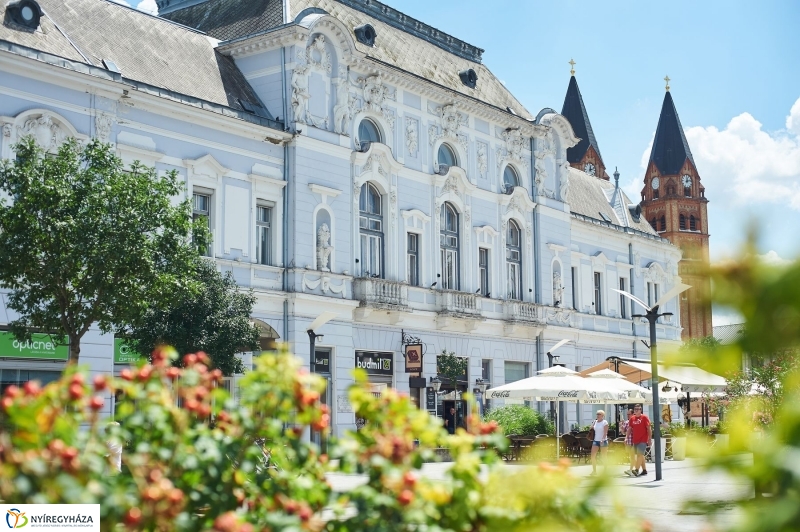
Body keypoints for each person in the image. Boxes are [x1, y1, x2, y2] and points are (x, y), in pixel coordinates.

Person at [628, 404, 652, 476]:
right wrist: (626, 437)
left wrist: (649, 439)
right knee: (640, 455)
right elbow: (630, 428)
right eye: (635, 409)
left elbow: (649, 429)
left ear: (640, 410)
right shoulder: (632, 418)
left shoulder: (644, 417)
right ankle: (644, 470)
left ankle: (637, 470)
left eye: (637, 409)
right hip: (635, 440)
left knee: (640, 454)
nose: (636, 410)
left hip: (643, 439)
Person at [589, 410, 609, 475]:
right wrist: (592, 425)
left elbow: (605, 432)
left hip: (603, 441)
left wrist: (602, 439)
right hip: (596, 440)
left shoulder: (604, 422)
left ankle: (605, 470)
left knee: (604, 456)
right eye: (597, 414)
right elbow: (591, 429)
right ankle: (594, 471)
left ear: (602, 415)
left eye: (599, 414)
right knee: (592, 455)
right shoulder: (595, 422)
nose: (597, 415)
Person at [622, 408, 637, 476]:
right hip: (629, 441)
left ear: (633, 414)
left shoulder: (636, 421)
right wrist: (622, 428)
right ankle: (636, 469)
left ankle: (632, 470)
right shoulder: (626, 422)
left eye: (629, 414)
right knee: (631, 456)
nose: (628, 415)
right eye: (627, 414)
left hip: (635, 441)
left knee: (633, 456)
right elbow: (624, 432)